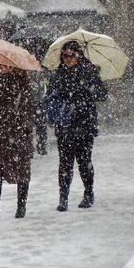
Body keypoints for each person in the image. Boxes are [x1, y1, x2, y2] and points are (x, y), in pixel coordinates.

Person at [46, 40, 108, 211]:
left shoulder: (89, 72)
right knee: (65, 163)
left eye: (71, 55)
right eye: (65, 55)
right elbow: (50, 97)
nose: (68, 59)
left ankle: (88, 193)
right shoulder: (58, 74)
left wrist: (88, 88)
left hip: (84, 124)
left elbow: (103, 95)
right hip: (64, 126)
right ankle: (63, 197)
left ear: (78, 55)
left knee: (84, 161)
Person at [0, 64, 35, 219]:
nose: (2, 67)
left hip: (17, 132)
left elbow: (28, 107)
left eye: (6, 64)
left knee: (21, 170)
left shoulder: (22, 83)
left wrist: (25, 127)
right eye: (0, 64)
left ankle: (21, 206)